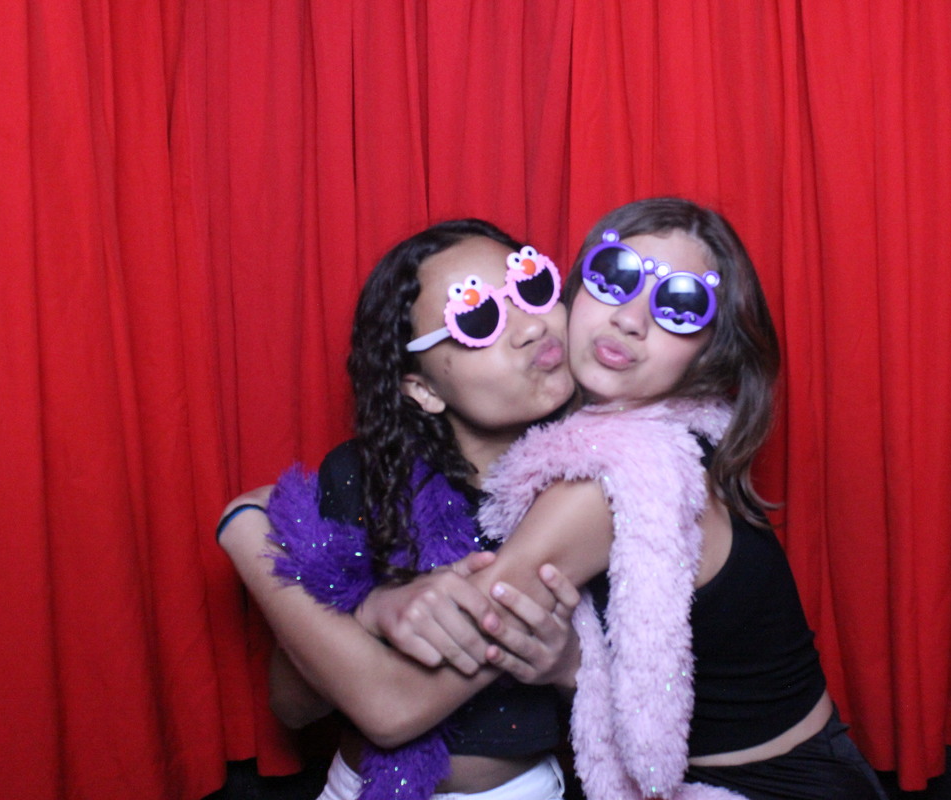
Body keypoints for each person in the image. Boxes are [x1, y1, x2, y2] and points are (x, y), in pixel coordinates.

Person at [361, 198, 886, 800]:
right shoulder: (662, 434)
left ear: (708, 352)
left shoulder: (611, 479)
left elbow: (393, 706)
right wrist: (572, 667)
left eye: (680, 306)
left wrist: (276, 560)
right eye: (615, 278)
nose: (632, 320)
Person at [217, 218, 585, 800]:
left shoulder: (596, 487)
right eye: (478, 319)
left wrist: (571, 666)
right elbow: (292, 705)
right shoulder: (362, 480)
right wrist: (369, 612)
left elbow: (663, 700)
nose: (531, 326)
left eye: (533, 286)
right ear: (423, 389)